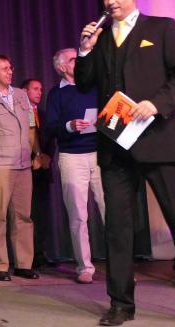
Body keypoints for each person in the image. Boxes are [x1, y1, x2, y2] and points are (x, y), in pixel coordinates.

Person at [77, 0, 175, 327]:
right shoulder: (102, 39)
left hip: (157, 141)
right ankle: (120, 304)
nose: (110, 1)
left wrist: (157, 104)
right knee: (118, 229)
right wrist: (84, 50)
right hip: (116, 147)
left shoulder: (161, 28)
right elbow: (83, 82)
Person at [0, 55, 45, 282]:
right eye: (4, 69)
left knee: (23, 216)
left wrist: (37, 153)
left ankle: (23, 264)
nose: (10, 72)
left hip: (23, 164)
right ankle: (0, 266)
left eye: (10, 68)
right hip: (0, 164)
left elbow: (31, 127)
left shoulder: (21, 95)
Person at [44, 48, 105, 284]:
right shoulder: (56, 94)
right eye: (73, 59)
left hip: (100, 154)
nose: (78, 62)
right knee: (78, 215)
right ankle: (84, 267)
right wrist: (69, 126)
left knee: (111, 210)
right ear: (62, 67)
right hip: (72, 156)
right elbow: (50, 127)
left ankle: (121, 265)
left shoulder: (95, 86)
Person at [20, 78, 53, 268]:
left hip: (43, 170)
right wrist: (33, 157)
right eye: (35, 89)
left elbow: (51, 138)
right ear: (24, 91)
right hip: (26, 168)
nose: (39, 92)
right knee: (28, 213)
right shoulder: (19, 113)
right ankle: (27, 257)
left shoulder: (43, 114)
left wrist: (48, 156)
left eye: (41, 89)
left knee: (42, 213)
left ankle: (40, 253)